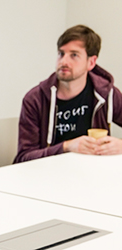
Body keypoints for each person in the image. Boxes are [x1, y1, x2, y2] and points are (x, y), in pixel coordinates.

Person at [14, 25, 122, 163]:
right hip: (47, 176)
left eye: (74, 55)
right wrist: (66, 147)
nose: (64, 61)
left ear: (91, 62)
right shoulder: (35, 99)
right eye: (61, 54)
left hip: (94, 174)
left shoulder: (106, 94)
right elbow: (23, 159)